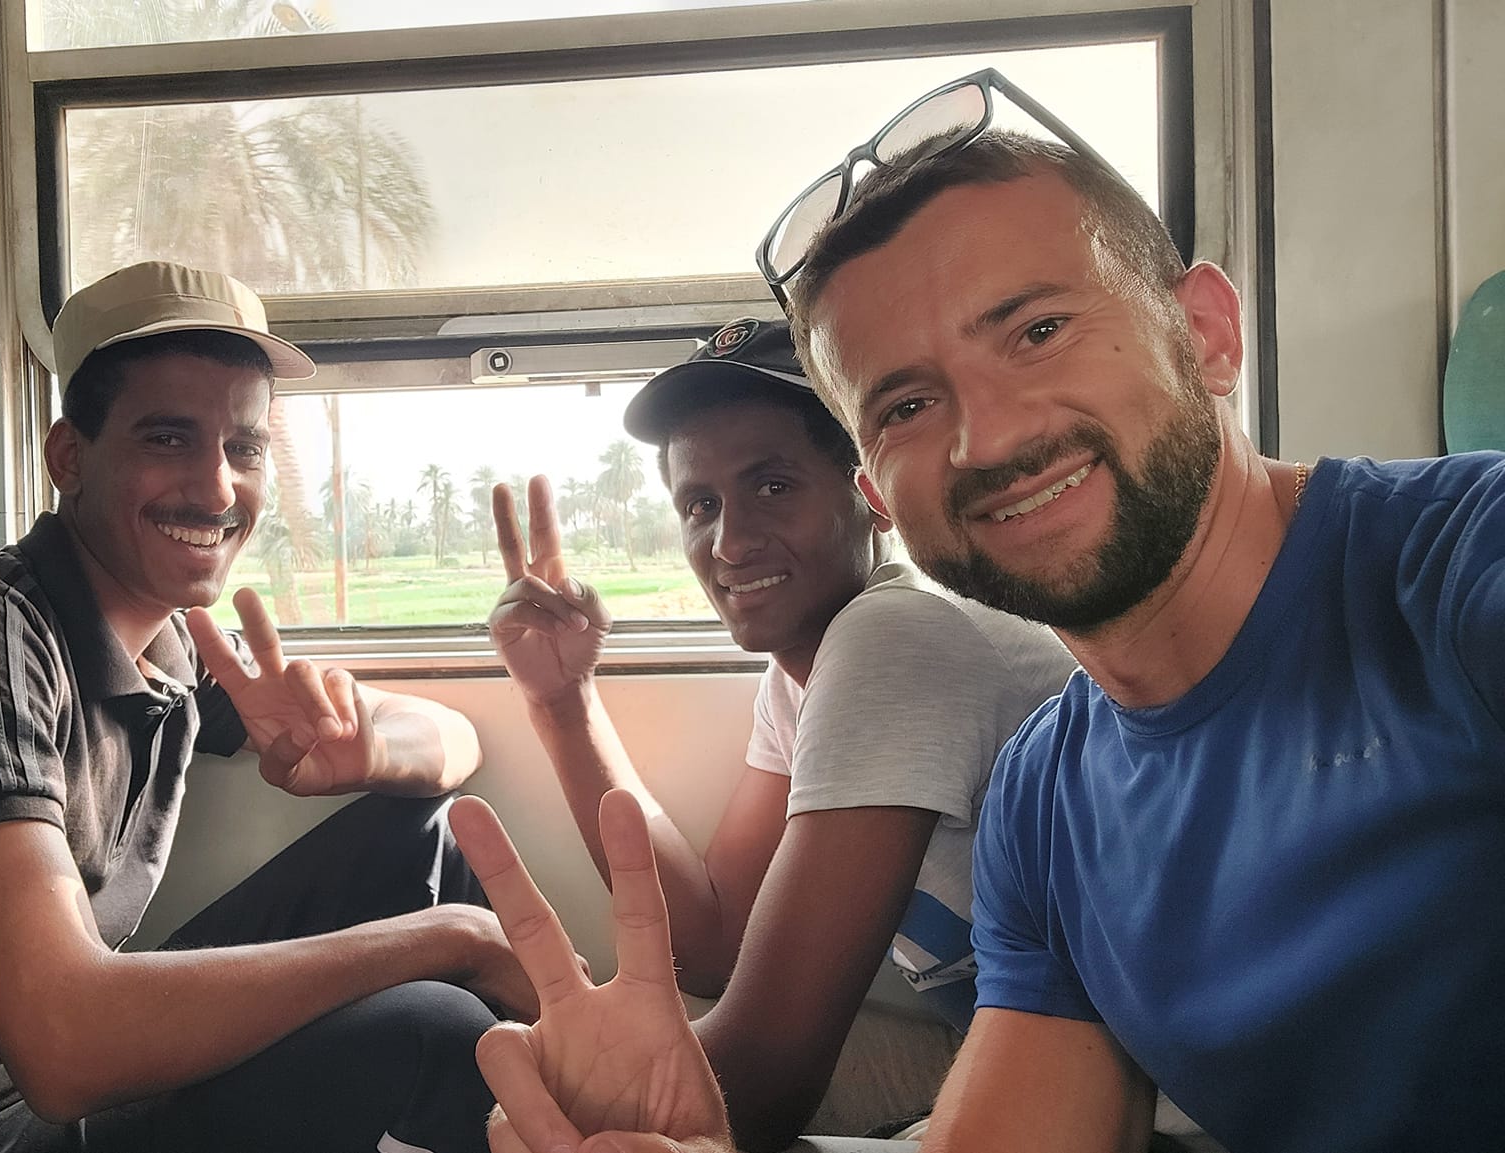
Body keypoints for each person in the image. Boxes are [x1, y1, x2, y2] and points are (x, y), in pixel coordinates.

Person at [469, 86, 1505, 1153]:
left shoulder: (1457, 572)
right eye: (907, 405)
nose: (988, 437)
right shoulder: (1045, 801)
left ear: (1204, 332)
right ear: (880, 490)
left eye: (1036, 331)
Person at [0, 260, 526, 1153]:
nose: (218, 489)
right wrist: (451, 939)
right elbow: (65, 1044)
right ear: (69, 457)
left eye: (244, 447)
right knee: (433, 1024)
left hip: (63, 1066)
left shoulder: (176, 643)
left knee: (434, 833)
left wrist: (369, 751)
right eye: (167, 439)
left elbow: (451, 737)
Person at [486, 317, 1071, 1147]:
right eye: (700, 505)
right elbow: (715, 944)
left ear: (870, 493)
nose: (728, 542)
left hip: (1142, 1104)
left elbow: (760, 1083)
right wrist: (562, 703)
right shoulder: (800, 678)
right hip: (1008, 1053)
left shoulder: (897, 638)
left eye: (772, 486)